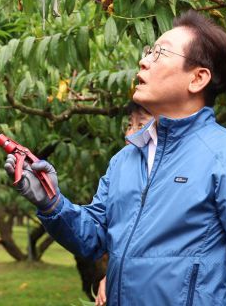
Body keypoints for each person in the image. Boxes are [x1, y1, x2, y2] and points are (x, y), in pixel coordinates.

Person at [6, 11, 226, 305]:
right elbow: (94, 238)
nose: (143, 61)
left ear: (197, 78)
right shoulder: (125, 160)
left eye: (160, 53)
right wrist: (52, 203)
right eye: (148, 52)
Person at [95, 102, 152, 306]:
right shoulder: (119, 166)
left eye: (141, 124)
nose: (130, 134)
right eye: (130, 124)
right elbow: (99, 225)